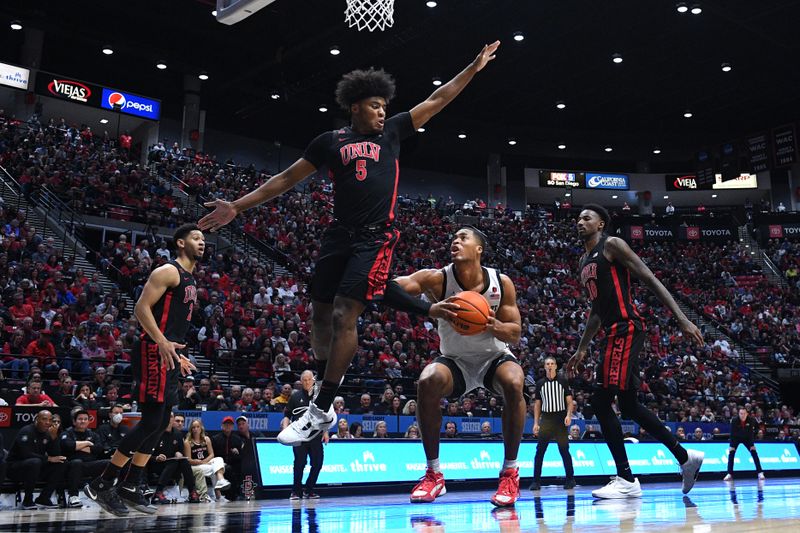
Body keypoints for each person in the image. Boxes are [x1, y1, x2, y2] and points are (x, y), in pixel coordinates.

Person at [199, 42, 501, 446]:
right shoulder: (329, 141)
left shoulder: (393, 131)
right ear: (355, 106)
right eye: (376, 105)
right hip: (337, 234)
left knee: (346, 311)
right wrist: (237, 206)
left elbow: (437, 99)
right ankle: (326, 391)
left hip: (376, 237)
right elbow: (286, 179)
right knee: (319, 316)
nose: (382, 111)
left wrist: (473, 68)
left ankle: (321, 406)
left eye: (384, 106)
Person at [566, 204, 705, 499]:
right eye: (578, 218)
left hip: (627, 327)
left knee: (601, 402)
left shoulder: (612, 245)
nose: (580, 221)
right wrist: (581, 349)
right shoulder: (583, 261)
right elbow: (596, 312)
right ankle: (685, 458)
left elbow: (649, 278)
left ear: (601, 223)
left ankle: (626, 479)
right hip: (611, 331)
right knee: (628, 406)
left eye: (587, 218)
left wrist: (680, 317)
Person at [394, 226, 526, 507]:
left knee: (515, 381)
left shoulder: (500, 282)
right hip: (455, 361)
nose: (456, 241)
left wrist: (495, 326)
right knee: (427, 380)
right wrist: (429, 307)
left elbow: (515, 333)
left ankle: (510, 472)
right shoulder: (436, 279)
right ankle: (434, 474)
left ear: (479, 249)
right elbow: (392, 289)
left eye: (463, 237)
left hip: (493, 358)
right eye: (453, 237)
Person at [84, 224, 201, 515]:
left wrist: (176, 351)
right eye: (196, 238)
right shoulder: (168, 271)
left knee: (161, 423)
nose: (202, 243)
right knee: (151, 421)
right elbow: (140, 307)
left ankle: (130, 484)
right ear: (180, 243)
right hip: (153, 350)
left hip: (168, 351)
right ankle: (103, 482)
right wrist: (162, 342)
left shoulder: (189, 278)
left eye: (203, 239)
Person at [5, 410, 66, 509]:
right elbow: (25, 454)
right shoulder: (26, 431)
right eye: (44, 419)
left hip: (35, 468)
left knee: (61, 462)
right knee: (35, 462)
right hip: (15, 468)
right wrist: (48, 458)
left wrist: (54, 437)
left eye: (50, 420)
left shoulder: (48, 433)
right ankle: (27, 500)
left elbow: (56, 455)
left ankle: (44, 498)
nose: (48, 422)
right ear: (36, 419)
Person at [531, 356, 575, 491]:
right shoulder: (540, 383)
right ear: (544, 367)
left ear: (555, 366)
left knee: (564, 450)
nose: (550, 366)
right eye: (547, 364)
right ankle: (536, 481)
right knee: (540, 451)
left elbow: (569, 401)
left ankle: (570, 479)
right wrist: (536, 423)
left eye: (552, 363)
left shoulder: (563, 381)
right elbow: (537, 405)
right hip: (547, 419)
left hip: (560, 418)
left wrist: (568, 415)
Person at [282, 370, 328, 500]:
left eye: (309, 379)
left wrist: (326, 432)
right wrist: (286, 430)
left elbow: (325, 417)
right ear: (301, 382)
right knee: (299, 463)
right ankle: (296, 491)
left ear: (313, 380)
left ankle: (309, 489)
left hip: (315, 435)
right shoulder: (295, 396)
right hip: (299, 435)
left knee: (317, 463)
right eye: (304, 380)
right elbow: (287, 415)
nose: (307, 382)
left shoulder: (319, 396)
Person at [61, 408, 109, 508]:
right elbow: (67, 445)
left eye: (85, 419)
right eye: (80, 419)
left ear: (88, 421)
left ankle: (104, 493)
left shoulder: (93, 434)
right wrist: (87, 444)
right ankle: (73, 496)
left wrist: (77, 446)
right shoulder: (67, 433)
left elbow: (99, 448)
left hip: (90, 464)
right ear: (74, 421)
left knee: (109, 463)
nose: (83, 421)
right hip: (71, 465)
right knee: (77, 462)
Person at [150, 412, 200, 504]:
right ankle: (158, 492)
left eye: (171, 417)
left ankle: (192, 491)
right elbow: (145, 455)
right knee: (174, 462)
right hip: (155, 464)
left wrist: (179, 453)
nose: (169, 419)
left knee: (184, 461)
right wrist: (156, 457)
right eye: (167, 416)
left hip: (172, 465)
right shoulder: (155, 433)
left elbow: (181, 451)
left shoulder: (178, 434)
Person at [185, 419, 230, 502]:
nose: (195, 429)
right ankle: (218, 494)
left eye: (198, 427)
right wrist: (201, 462)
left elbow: (212, 454)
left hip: (205, 463)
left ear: (201, 428)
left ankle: (221, 480)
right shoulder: (188, 442)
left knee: (219, 459)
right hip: (196, 466)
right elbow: (188, 460)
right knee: (215, 468)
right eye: (193, 427)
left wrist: (205, 461)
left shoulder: (206, 439)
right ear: (191, 429)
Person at [725, 406, 764, 481]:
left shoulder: (751, 420)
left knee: (754, 452)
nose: (742, 415)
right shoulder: (734, 420)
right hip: (736, 438)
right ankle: (729, 473)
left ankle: (760, 472)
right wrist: (731, 445)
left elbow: (751, 433)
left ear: (747, 414)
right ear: (738, 414)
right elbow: (732, 433)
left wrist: (752, 444)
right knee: (731, 453)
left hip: (747, 438)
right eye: (741, 413)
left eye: (744, 414)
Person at [211, 416, 245, 501]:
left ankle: (236, 494)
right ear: (222, 426)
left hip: (233, 463)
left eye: (230, 424)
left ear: (232, 427)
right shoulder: (215, 439)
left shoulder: (237, 439)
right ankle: (227, 495)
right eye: (226, 424)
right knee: (228, 469)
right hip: (219, 465)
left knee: (238, 468)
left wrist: (237, 453)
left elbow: (241, 456)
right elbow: (212, 454)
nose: (228, 426)